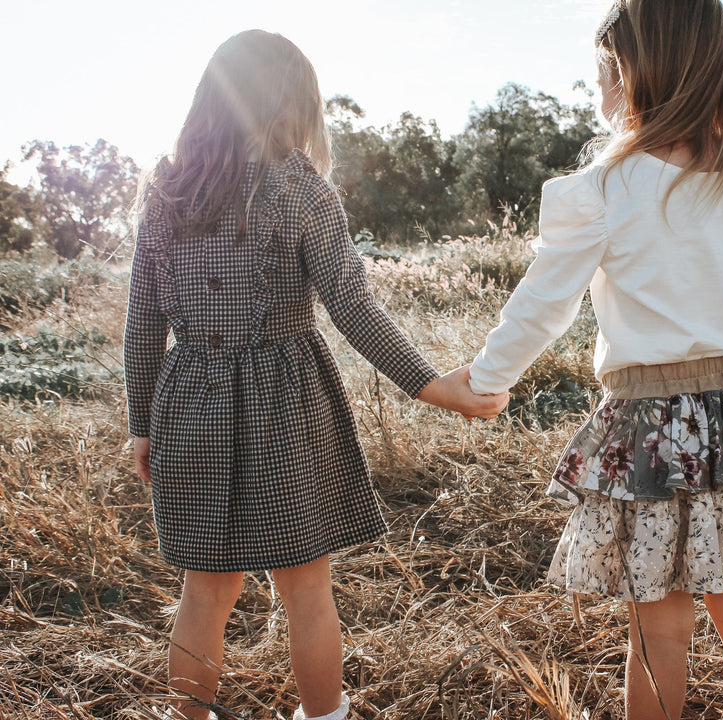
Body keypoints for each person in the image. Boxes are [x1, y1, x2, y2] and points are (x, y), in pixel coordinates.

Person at [124, 30, 506, 720]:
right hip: (284, 407)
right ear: (296, 105)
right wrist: (430, 383)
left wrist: (139, 427)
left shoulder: (166, 193)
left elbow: (143, 325)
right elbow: (353, 306)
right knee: (307, 589)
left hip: (187, 404)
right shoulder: (303, 190)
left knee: (203, 592)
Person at [467, 2, 723, 719]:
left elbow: (543, 304)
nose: (596, 89)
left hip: (648, 434)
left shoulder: (604, 190)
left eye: (602, 71)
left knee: (658, 628)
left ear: (631, 73)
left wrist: (483, 382)